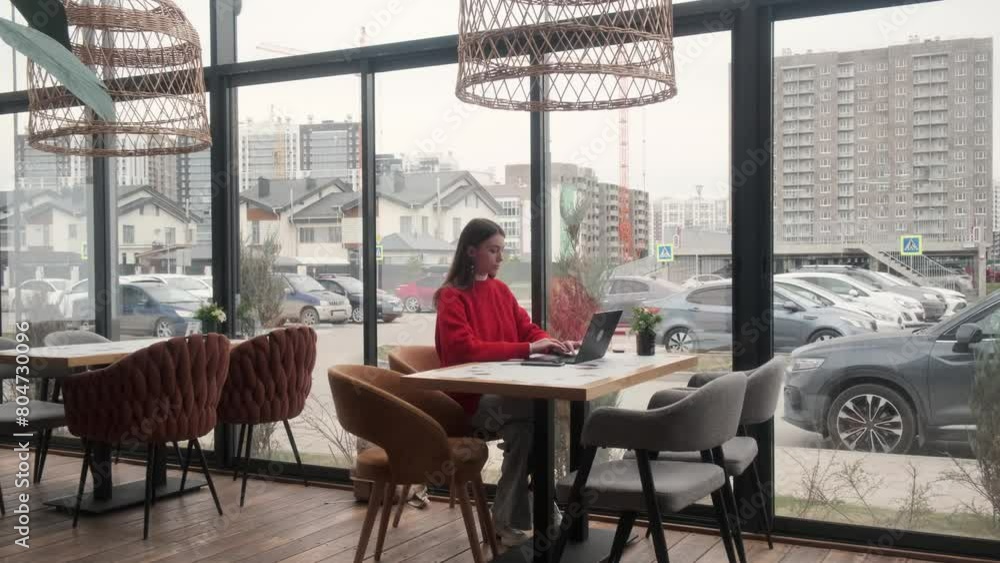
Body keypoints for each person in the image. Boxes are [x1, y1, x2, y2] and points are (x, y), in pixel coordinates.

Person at [434, 218, 578, 546]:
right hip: (468, 402)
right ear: (471, 251)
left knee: (526, 431)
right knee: (538, 412)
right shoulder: (451, 296)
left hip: (502, 399)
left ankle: (506, 519)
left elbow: (527, 329)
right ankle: (542, 510)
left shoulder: (500, 290)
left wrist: (551, 342)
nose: (500, 258)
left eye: (502, 251)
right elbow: (464, 350)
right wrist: (529, 347)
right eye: (493, 250)